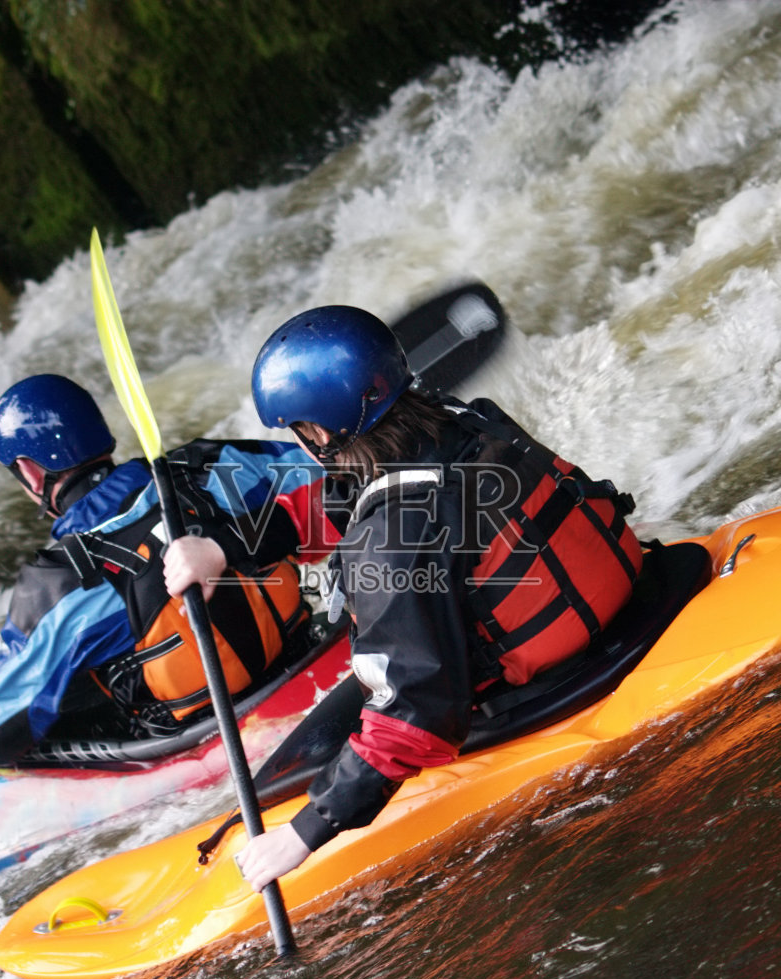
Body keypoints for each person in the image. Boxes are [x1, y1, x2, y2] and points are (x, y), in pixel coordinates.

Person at [232, 305, 649, 890]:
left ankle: (265, 815)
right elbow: (361, 500)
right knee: (313, 740)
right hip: (624, 605)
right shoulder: (464, 423)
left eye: (297, 431)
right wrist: (229, 548)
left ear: (321, 434)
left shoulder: (389, 536)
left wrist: (302, 833)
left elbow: (417, 715)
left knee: (294, 766)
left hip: (533, 688)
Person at [0, 373, 331, 765]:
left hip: (215, 737)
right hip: (312, 665)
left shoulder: (62, 581)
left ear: (30, 472)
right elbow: (343, 488)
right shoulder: (214, 465)